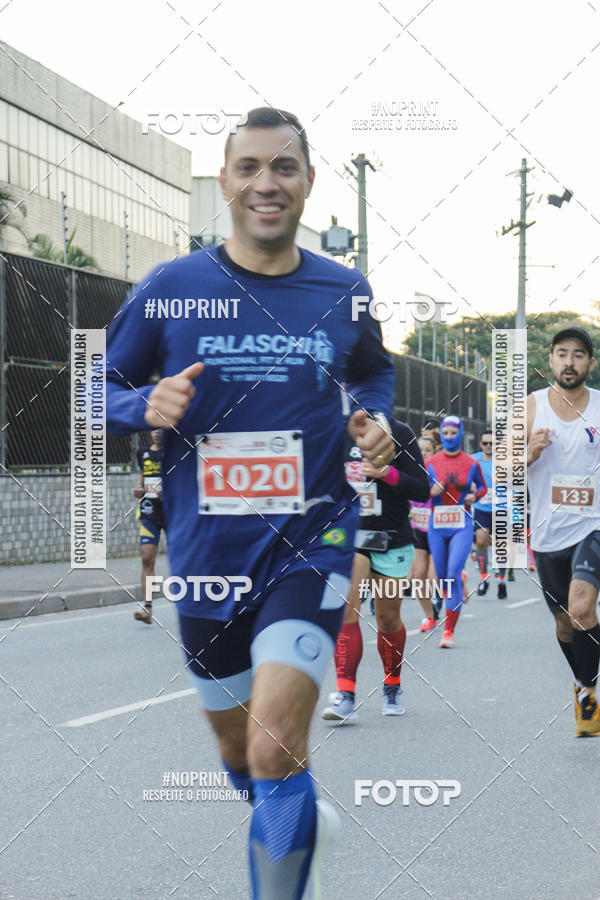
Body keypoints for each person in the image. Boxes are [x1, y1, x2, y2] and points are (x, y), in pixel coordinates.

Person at [106, 107, 395, 897]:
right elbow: (93, 389)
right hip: (207, 558)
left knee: (273, 747)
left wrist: (375, 419)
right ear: (226, 183)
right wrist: (140, 405)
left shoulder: (344, 289)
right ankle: (300, 824)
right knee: (243, 758)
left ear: (308, 183)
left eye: (285, 167)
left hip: (313, 541)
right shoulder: (173, 288)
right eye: (250, 167)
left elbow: (373, 370)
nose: (267, 183)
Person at [321, 418, 429, 722]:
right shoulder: (334, 429)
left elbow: (422, 490)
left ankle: (392, 686)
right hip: (347, 536)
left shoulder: (400, 433)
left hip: (390, 537)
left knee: (387, 618)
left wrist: (386, 474)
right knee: (346, 610)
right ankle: (345, 695)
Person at [527, 327, 600, 737]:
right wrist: (527, 454)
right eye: (562, 353)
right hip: (547, 533)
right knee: (565, 624)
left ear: (590, 363)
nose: (569, 362)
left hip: (593, 525)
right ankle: (583, 683)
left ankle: (588, 692)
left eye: (578, 354)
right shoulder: (530, 407)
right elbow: (500, 467)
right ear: (551, 360)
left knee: (582, 607)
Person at [427, 415, 487, 648]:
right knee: (443, 577)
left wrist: (475, 496)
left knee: (451, 574)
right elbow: (418, 492)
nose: (450, 437)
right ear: (441, 435)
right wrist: (431, 492)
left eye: (454, 433)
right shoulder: (431, 462)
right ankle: (460, 580)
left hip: (461, 523)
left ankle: (448, 632)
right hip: (437, 525)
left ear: (460, 434)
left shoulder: (471, 463)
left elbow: (482, 487)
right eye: (446, 433)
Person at [132, 428, 165, 624]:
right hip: (149, 512)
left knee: (181, 557)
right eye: (154, 429)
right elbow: (143, 475)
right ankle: (147, 607)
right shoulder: (142, 452)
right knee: (146, 558)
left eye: (160, 429)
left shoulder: (174, 453)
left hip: (172, 513)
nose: (156, 432)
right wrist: (138, 488)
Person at [472, 429, 509, 599]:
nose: (489, 446)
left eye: (492, 443)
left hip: (501, 509)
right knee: (481, 541)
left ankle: (501, 581)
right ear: (481, 444)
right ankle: (484, 578)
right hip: (482, 508)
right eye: (485, 443)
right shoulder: (474, 460)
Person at [409, 435, 439, 631]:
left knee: (432, 576)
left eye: (427, 450)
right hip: (418, 528)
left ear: (434, 451)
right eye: (420, 450)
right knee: (418, 576)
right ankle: (429, 616)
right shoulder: (410, 468)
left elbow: (441, 487)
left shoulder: (436, 468)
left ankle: (453, 583)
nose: (423, 453)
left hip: (437, 529)